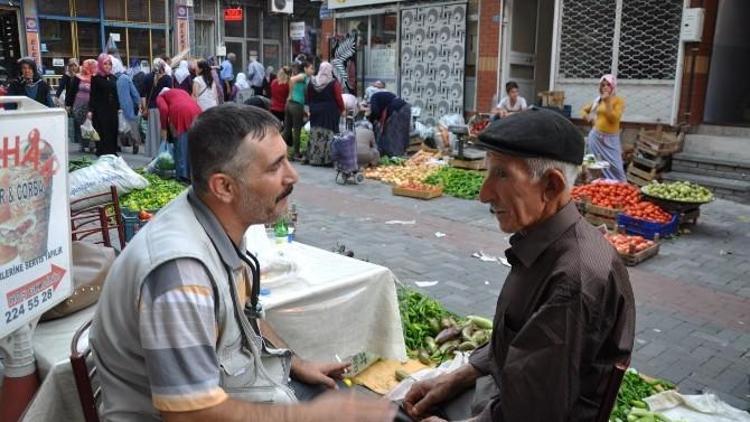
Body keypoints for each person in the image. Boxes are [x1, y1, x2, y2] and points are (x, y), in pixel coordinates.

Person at [89, 103, 396, 422]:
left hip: (243, 388)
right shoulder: (180, 274)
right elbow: (192, 415)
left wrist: (297, 363)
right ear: (224, 187)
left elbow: (247, 314)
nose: (293, 176)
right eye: (275, 167)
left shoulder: (221, 220)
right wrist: (312, 417)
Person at [403, 108, 635, 422]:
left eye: (501, 175)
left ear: (551, 187)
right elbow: (514, 343)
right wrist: (459, 375)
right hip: (500, 395)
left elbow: (532, 413)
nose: (484, 194)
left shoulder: (574, 279)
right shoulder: (545, 242)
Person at [581, 74, 626, 182]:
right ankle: (596, 187)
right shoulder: (598, 100)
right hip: (596, 137)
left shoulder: (619, 101)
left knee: (616, 167)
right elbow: (583, 110)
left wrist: (608, 101)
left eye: (608, 85)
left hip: (611, 140)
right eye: (603, 85)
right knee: (594, 166)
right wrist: (590, 119)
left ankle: (622, 188)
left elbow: (613, 119)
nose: (605, 87)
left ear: (613, 86)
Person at [156, 88, 201, 182]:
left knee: (180, 145)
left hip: (181, 113)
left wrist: (164, 128)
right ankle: (192, 176)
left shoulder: (161, 96)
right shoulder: (182, 91)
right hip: (197, 111)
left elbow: (164, 110)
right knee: (192, 146)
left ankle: (182, 177)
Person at [306, 61, 344, 165]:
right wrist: (342, 109)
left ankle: (314, 158)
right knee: (329, 134)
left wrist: (311, 108)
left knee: (315, 134)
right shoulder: (333, 83)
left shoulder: (312, 81)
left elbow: (308, 97)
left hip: (315, 111)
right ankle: (328, 159)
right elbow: (338, 98)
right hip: (330, 111)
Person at [89, 53, 120, 156]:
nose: (107, 66)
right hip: (100, 111)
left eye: (109, 64)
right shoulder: (96, 78)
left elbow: (116, 93)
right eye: (105, 64)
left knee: (113, 130)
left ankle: (112, 153)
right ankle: (103, 154)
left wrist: (119, 107)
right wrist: (90, 111)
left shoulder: (113, 77)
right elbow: (92, 95)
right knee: (103, 132)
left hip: (112, 110)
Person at [140, 58, 173, 157]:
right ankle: (163, 154)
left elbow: (142, 94)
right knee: (162, 132)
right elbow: (170, 94)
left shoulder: (147, 77)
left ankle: (153, 154)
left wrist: (144, 107)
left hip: (151, 108)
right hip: (163, 108)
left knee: (152, 133)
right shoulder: (168, 78)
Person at [284, 61, 314, 161]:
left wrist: (290, 95)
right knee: (297, 130)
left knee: (287, 129)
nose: (312, 71)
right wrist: (290, 94)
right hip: (296, 104)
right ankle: (296, 153)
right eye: (311, 68)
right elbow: (291, 80)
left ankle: (277, 149)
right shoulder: (303, 76)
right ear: (305, 68)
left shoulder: (299, 76)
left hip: (289, 104)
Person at [65, 59, 97, 151]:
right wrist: (68, 104)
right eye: (87, 66)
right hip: (78, 105)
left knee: (92, 124)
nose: (89, 68)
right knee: (81, 125)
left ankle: (92, 144)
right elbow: (72, 91)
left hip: (91, 105)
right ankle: (83, 145)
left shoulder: (95, 77)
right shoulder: (78, 77)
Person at [113, 55, 142, 154]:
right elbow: (134, 92)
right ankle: (135, 143)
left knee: (117, 126)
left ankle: (118, 145)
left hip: (114, 106)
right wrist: (138, 103)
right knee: (131, 125)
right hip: (127, 105)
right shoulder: (125, 78)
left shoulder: (110, 78)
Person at [368, 90, 411, 157]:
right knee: (403, 133)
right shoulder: (380, 97)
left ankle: (395, 156)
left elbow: (375, 112)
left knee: (394, 135)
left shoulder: (373, 98)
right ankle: (402, 153)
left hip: (397, 110)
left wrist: (371, 120)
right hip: (406, 107)